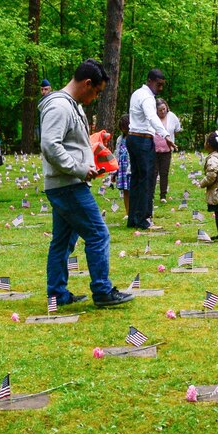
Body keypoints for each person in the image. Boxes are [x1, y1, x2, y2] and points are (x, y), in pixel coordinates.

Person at [39, 61, 132, 308]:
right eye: (97, 91)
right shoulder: (59, 107)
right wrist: (80, 168)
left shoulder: (71, 106)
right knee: (98, 234)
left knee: (62, 241)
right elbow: (50, 145)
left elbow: (68, 144)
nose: (96, 97)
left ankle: (57, 294)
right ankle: (102, 291)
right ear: (87, 83)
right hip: (67, 184)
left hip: (66, 182)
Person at [125, 67, 165, 229]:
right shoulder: (147, 98)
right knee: (147, 179)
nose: (160, 88)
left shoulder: (136, 93)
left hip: (132, 138)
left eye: (162, 85)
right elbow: (151, 117)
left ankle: (133, 218)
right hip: (143, 140)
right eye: (158, 84)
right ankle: (144, 219)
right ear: (150, 81)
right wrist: (165, 135)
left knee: (136, 179)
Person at [154, 99, 183, 201]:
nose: (162, 112)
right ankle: (151, 195)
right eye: (160, 110)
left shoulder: (172, 116)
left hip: (166, 150)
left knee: (164, 172)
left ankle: (163, 195)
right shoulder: (152, 118)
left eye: (164, 109)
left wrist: (171, 139)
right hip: (153, 150)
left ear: (166, 107)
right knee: (153, 173)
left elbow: (177, 130)